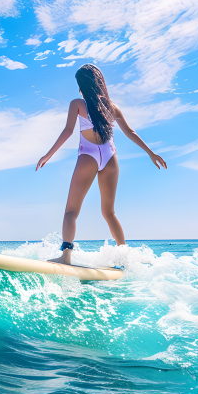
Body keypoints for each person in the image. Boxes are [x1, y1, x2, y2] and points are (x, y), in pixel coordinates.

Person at [35, 64, 167, 265]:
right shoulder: (112, 107)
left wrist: (48, 155)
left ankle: (66, 256)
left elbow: (68, 131)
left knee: (71, 211)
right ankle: (125, 257)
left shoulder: (77, 104)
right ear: (99, 83)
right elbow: (130, 132)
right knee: (109, 212)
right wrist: (151, 153)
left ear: (81, 85)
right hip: (110, 158)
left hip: (88, 156)